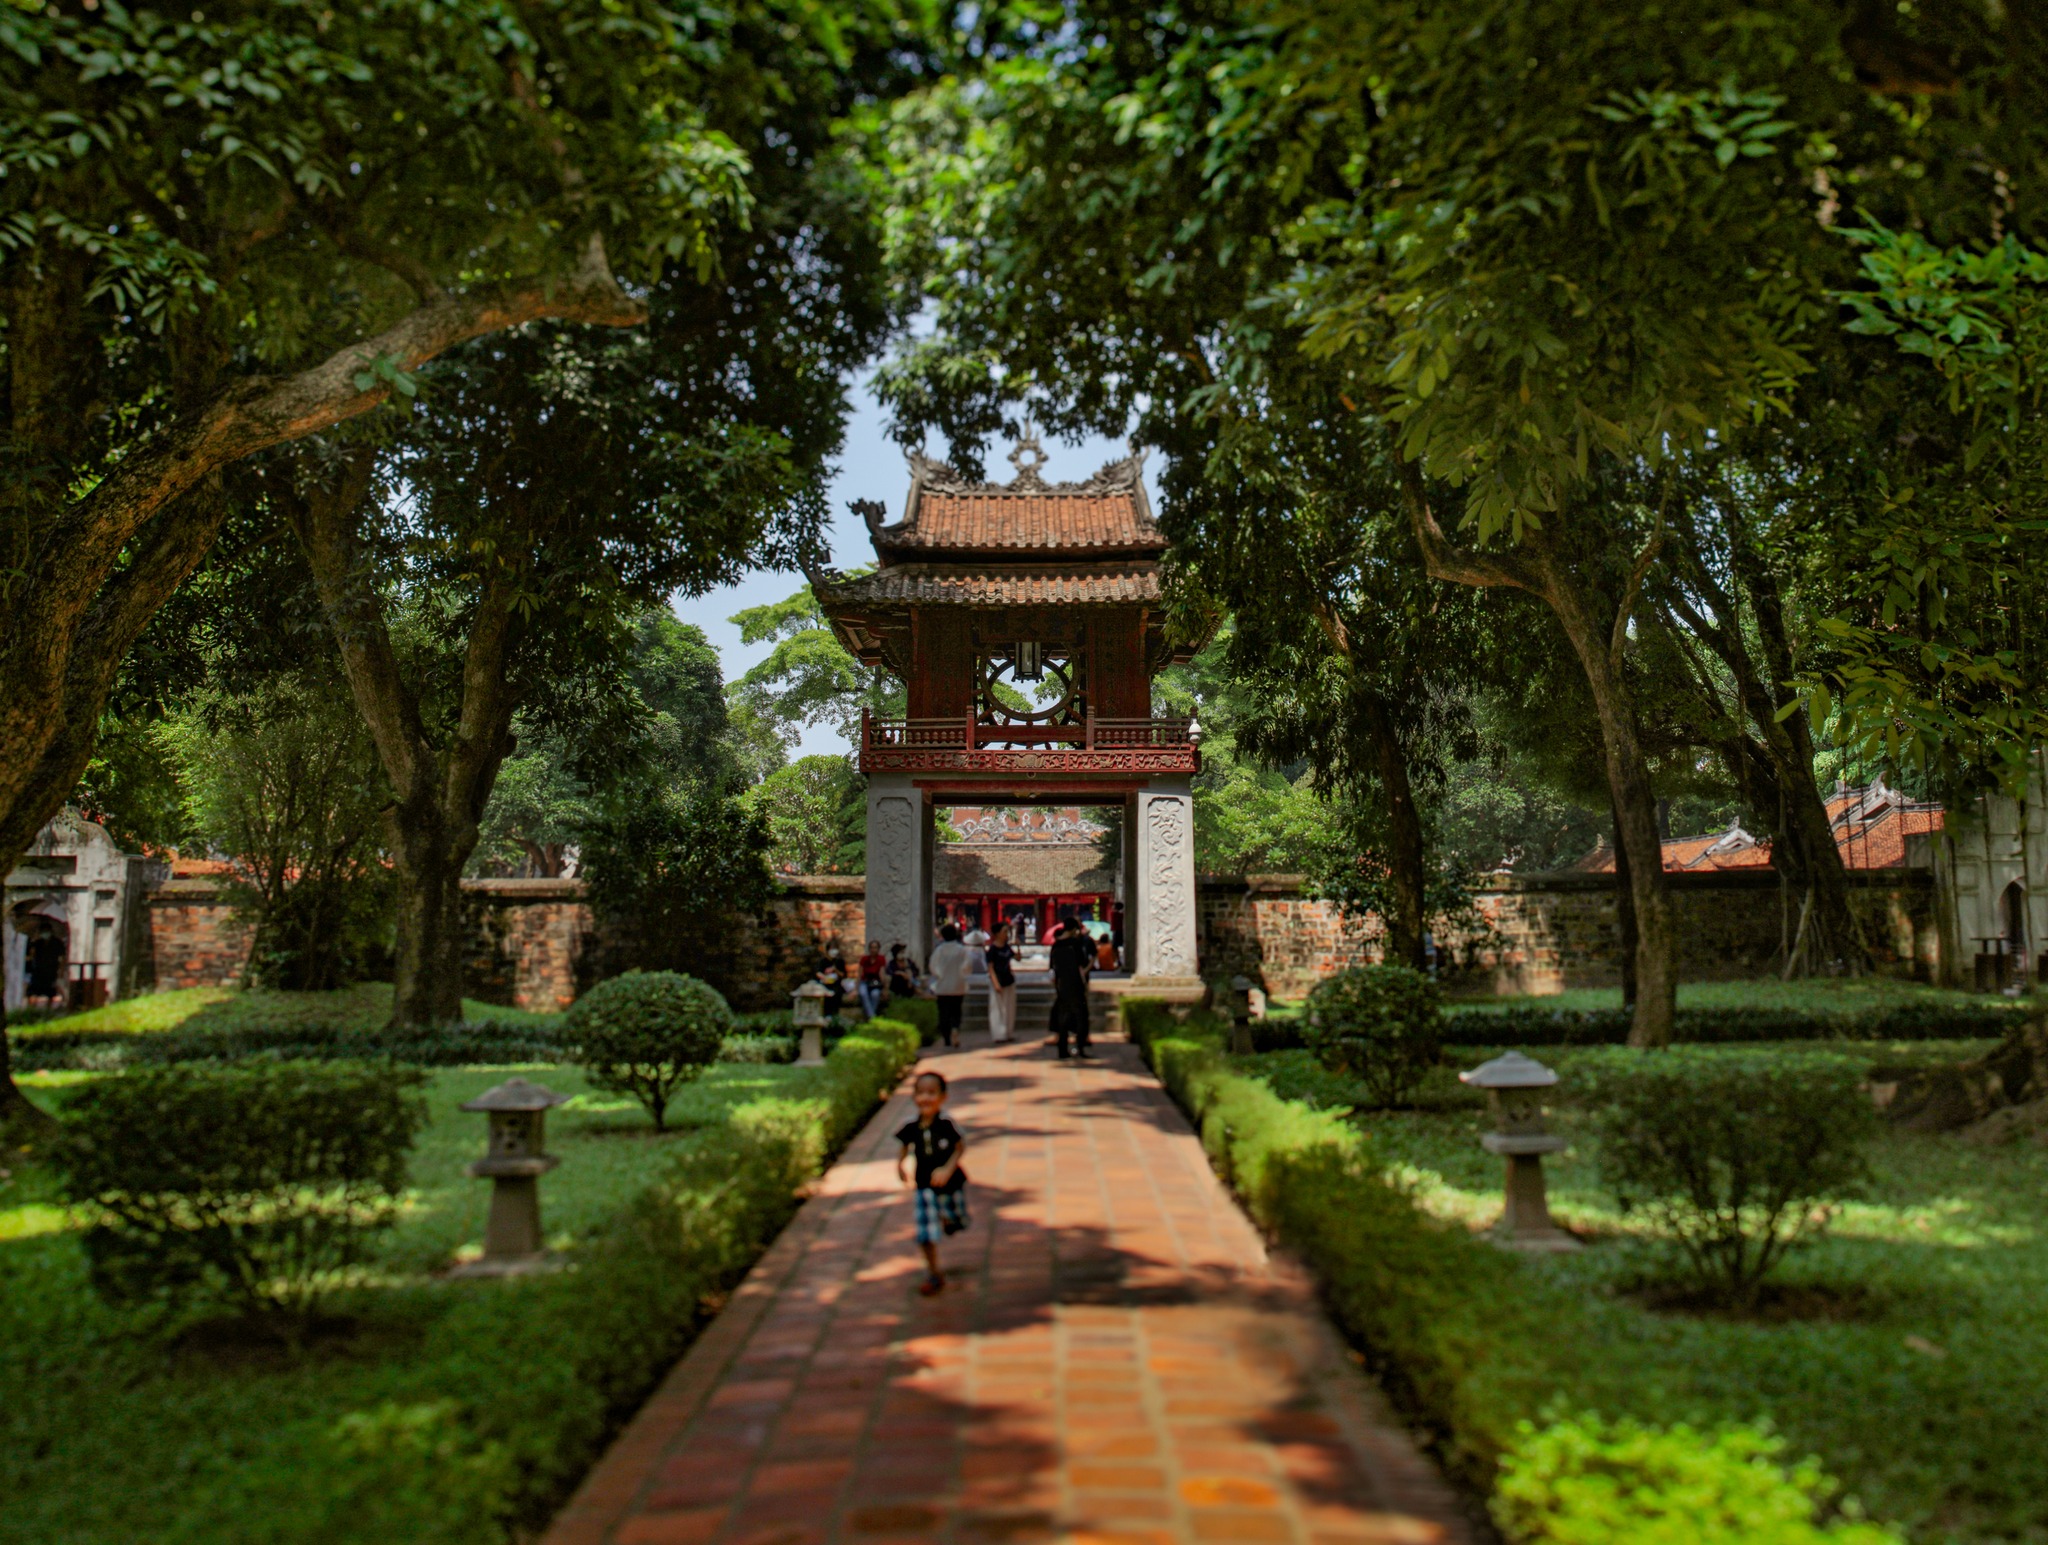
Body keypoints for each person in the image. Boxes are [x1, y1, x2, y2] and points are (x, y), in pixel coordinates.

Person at [896, 1069, 968, 1296]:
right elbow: (904, 1147)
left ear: (943, 1097)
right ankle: (934, 1272)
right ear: (913, 1096)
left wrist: (948, 1168)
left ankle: (951, 1220)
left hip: (951, 1183)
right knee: (926, 1228)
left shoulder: (946, 1124)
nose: (925, 1098)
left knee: (956, 1217)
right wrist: (900, 1165)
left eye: (931, 1093)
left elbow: (959, 1147)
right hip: (924, 1184)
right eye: (920, 1093)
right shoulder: (911, 1126)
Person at [1048, 918, 1093, 1059]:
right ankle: (1080, 1047)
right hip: (1075, 983)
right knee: (1081, 1016)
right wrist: (1085, 984)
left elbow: (1052, 969)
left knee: (1063, 1017)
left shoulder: (1055, 945)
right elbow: (1081, 967)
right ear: (1074, 929)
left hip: (1062, 985)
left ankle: (1062, 1049)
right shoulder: (1076, 944)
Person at [929, 923, 971, 1047]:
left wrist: (940, 975)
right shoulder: (961, 949)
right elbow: (967, 966)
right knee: (956, 1011)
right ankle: (955, 1029)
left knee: (943, 1012)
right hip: (958, 985)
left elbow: (932, 966)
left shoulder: (939, 950)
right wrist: (961, 974)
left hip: (943, 986)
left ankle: (946, 1037)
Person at [984, 922, 1018, 1044]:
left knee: (1009, 1007)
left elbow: (1018, 958)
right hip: (998, 980)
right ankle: (998, 1034)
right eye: (1004, 932)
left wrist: (1017, 946)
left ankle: (1008, 1032)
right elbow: (990, 968)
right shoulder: (992, 949)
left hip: (1008, 979)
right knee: (997, 1008)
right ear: (997, 934)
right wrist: (995, 983)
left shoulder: (1007, 947)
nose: (1006, 934)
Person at [24, 919, 64, 1007]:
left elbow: (62, 957)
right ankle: (31, 1009)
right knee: (32, 992)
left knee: (50, 991)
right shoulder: (38, 943)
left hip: (51, 970)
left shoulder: (56, 942)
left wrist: (61, 970)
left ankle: (48, 1009)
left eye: (46, 931)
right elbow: (31, 954)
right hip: (38, 970)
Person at [856, 939, 887, 1019]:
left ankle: (870, 1016)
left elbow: (882, 974)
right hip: (865, 982)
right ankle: (872, 1017)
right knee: (863, 993)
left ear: (878, 949)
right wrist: (855, 989)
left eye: (875, 948)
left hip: (876, 983)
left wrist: (884, 988)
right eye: (872, 948)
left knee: (875, 995)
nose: (873, 950)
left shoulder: (881, 959)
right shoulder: (864, 959)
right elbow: (860, 974)